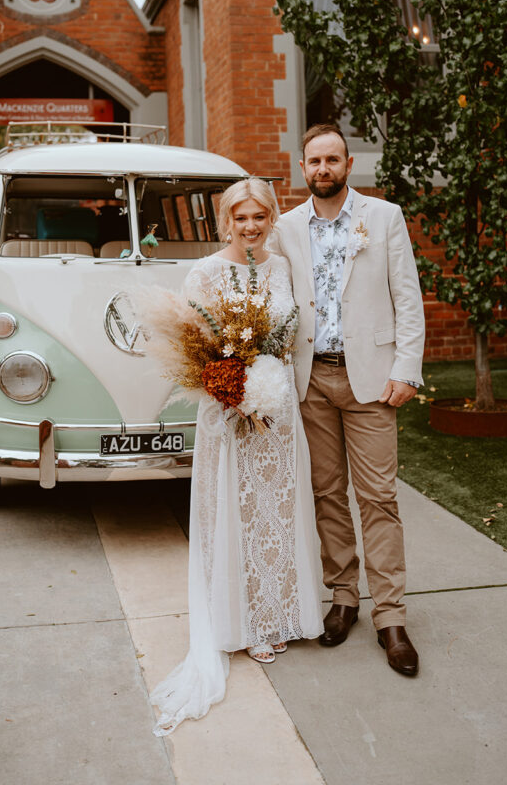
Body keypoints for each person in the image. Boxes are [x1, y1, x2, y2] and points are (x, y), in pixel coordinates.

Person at [150, 178, 323, 736]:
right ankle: (237, 623)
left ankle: (275, 616)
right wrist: (231, 390)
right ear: (225, 220)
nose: (250, 226)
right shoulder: (204, 272)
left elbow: (292, 339)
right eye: (240, 218)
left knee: (274, 512)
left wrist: (273, 391)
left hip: (278, 415)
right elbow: (193, 349)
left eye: (259, 216)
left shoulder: (282, 268)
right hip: (228, 416)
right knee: (234, 512)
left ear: (272, 217)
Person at [270, 124, 425, 676]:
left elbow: (407, 297)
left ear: (349, 163)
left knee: (378, 497)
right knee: (327, 494)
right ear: (303, 167)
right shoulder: (286, 228)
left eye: (333, 159)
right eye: (314, 161)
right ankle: (344, 598)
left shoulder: (384, 217)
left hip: (372, 380)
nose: (324, 169)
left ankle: (391, 616)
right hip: (310, 379)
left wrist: (407, 368)